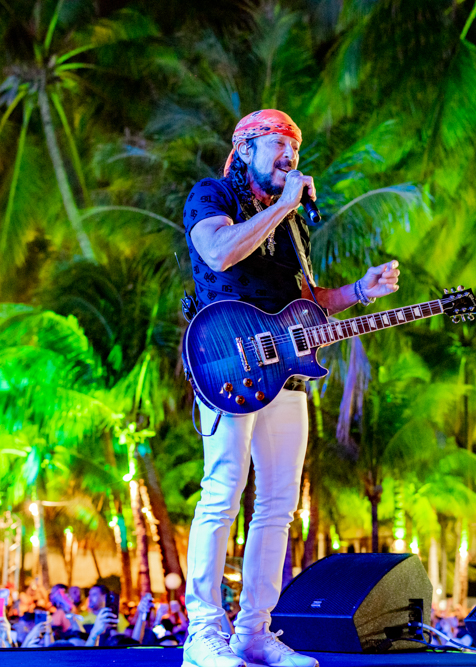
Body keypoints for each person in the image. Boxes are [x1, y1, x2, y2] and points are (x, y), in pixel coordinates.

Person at [181, 108, 401, 667]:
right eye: (278, 145)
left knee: (279, 503)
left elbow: (308, 301)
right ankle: (202, 634)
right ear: (245, 149)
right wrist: (281, 206)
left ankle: (254, 633)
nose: (290, 157)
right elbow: (218, 252)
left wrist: (360, 290)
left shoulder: (292, 222)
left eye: (295, 149)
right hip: (226, 360)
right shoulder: (212, 195)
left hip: (286, 369)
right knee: (223, 490)